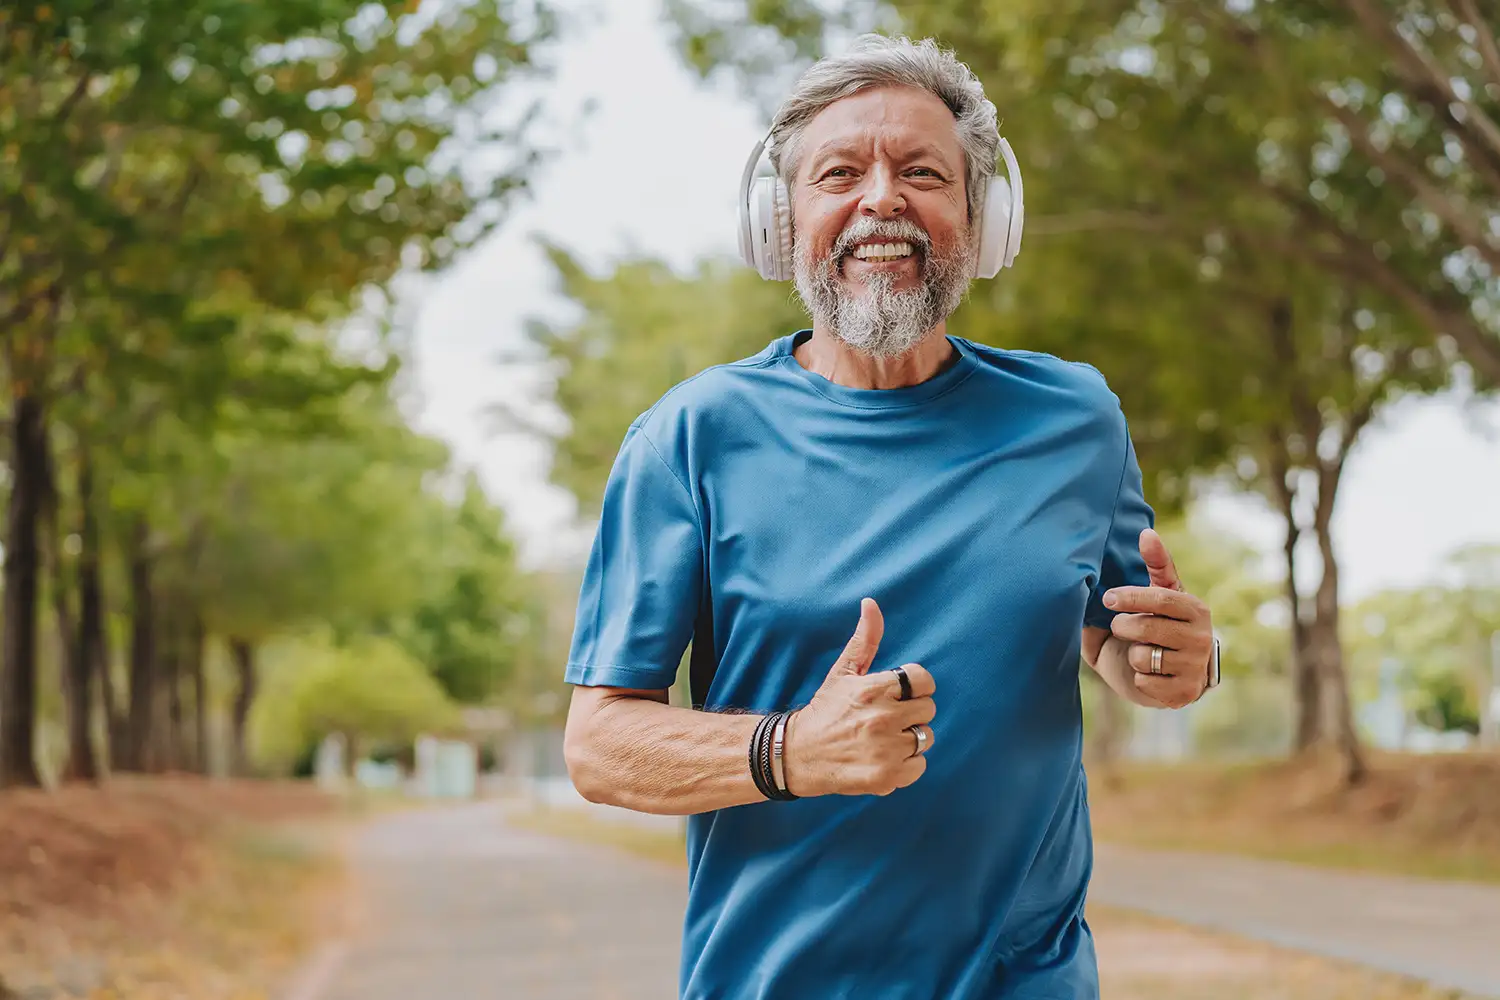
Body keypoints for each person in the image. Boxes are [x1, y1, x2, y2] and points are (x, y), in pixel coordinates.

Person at [560, 33, 1221, 1000]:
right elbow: (599, 747)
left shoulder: (1077, 419)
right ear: (780, 221)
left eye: (923, 172)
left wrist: (1179, 663)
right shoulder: (690, 439)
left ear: (983, 218)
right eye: (840, 173)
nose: (882, 200)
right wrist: (791, 750)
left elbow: (1112, 641)